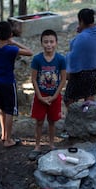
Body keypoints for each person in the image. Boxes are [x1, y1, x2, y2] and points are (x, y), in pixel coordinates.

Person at [0, 21, 33, 147]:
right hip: (8, 83)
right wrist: (13, 41)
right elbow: (30, 52)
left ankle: (4, 135)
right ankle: (8, 140)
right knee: (9, 110)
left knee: (2, 109)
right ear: (10, 34)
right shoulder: (11, 49)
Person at [29, 29, 66, 160]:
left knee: (52, 121)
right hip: (41, 95)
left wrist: (55, 96)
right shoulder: (37, 59)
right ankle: (37, 145)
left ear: (56, 42)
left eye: (51, 41)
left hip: (54, 96)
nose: (48, 44)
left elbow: (63, 79)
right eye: (46, 42)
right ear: (41, 43)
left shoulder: (61, 59)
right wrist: (39, 96)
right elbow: (33, 79)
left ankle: (51, 144)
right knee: (39, 121)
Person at [64, 8, 96, 108]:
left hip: (81, 74)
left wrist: (68, 73)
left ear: (81, 21)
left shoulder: (80, 38)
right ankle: (89, 117)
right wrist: (82, 31)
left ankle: (74, 119)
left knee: (69, 99)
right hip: (95, 71)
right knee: (89, 97)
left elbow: (73, 57)